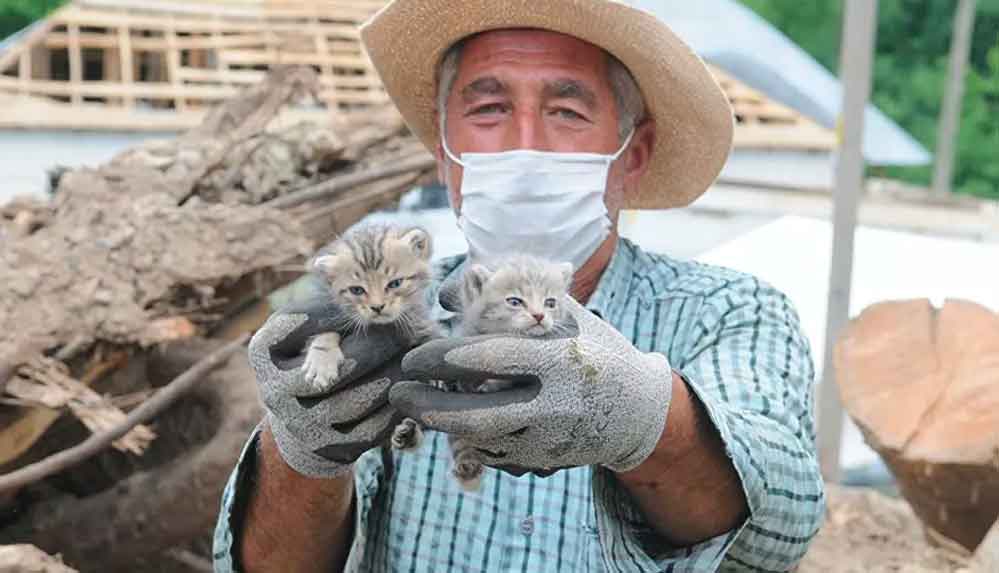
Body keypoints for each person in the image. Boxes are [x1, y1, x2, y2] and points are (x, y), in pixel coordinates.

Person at [212, 0, 825, 571]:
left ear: (632, 155)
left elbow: (783, 522)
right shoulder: (385, 320)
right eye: (488, 110)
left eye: (566, 111)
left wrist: (644, 417)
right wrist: (303, 449)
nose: (525, 145)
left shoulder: (727, 312)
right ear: (445, 154)